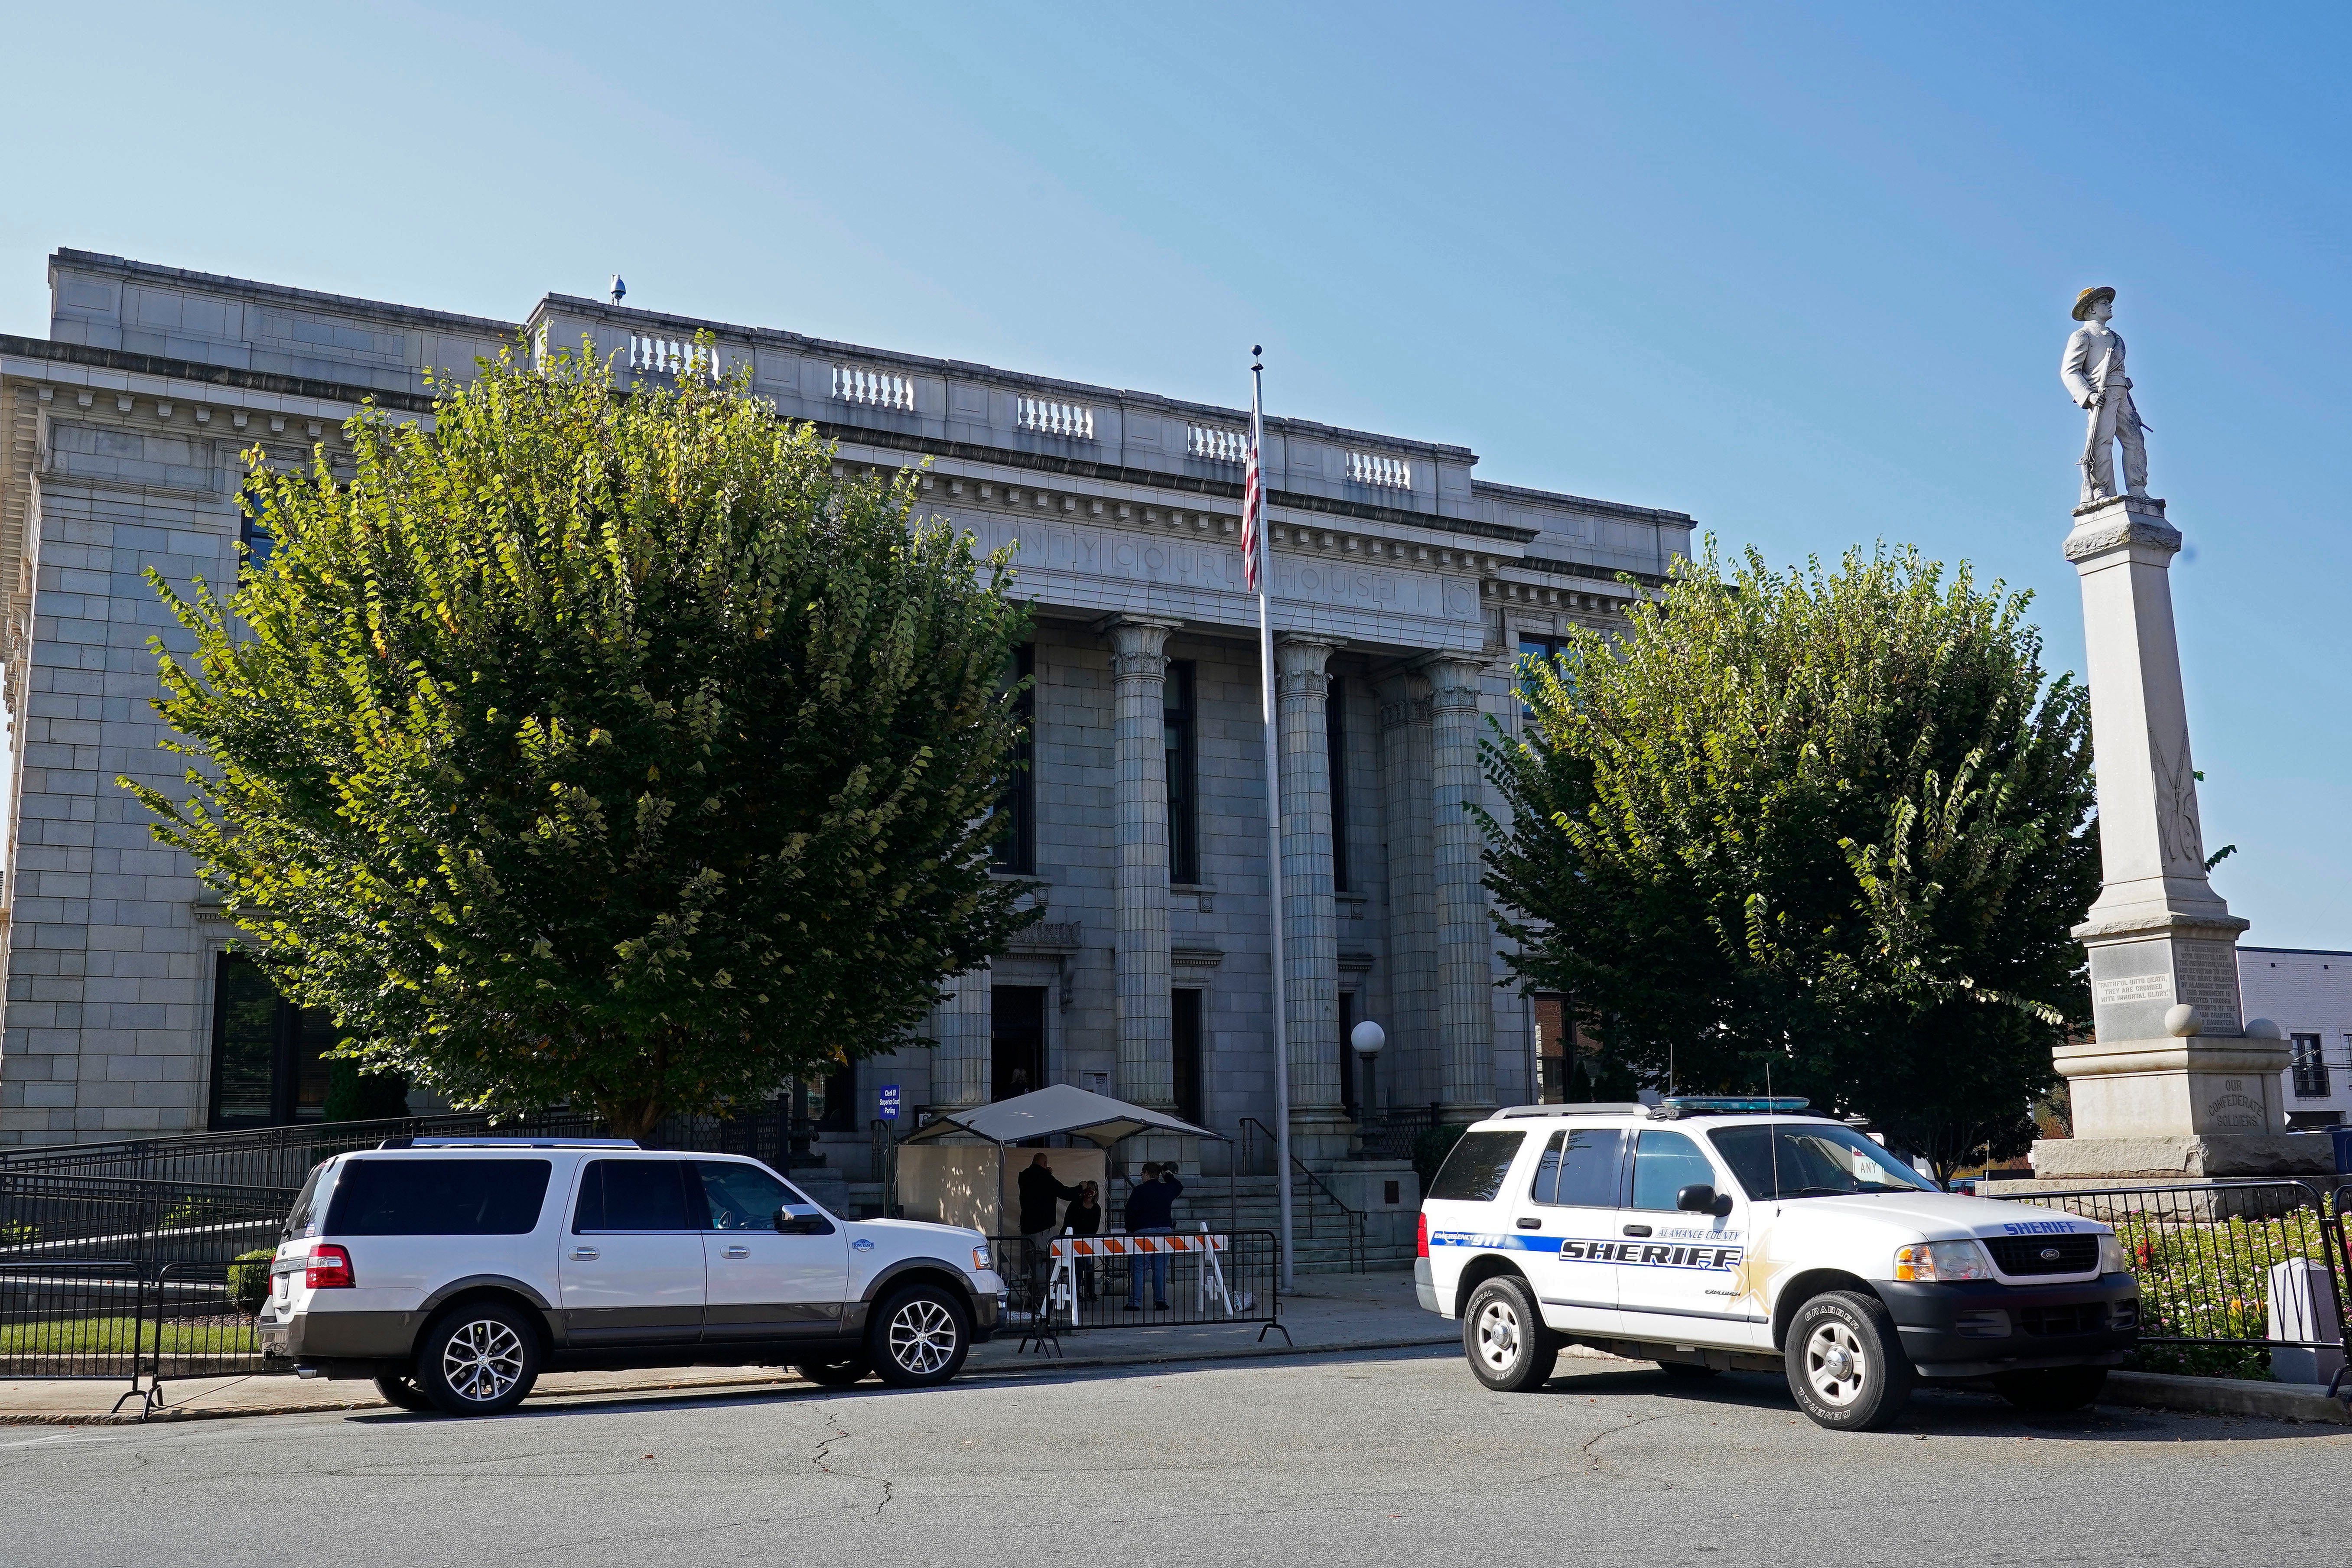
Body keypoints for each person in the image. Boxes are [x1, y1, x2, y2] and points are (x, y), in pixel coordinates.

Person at [2060, 286, 2149, 505]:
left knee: (2136, 441)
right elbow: (2070, 370)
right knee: (2102, 441)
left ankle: (2138, 489)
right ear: (2091, 309)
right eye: (2103, 302)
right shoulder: (2083, 336)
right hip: (2102, 395)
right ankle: (2101, 489)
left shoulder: (2116, 338)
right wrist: (2088, 395)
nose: (2109, 305)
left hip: (2123, 395)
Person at [1015, 1152, 1082, 1304]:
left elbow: (1037, 1184)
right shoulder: (1045, 1178)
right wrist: (1081, 1188)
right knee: (1042, 1263)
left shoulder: (1024, 1176)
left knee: (1031, 1264)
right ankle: (1044, 1298)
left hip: (1026, 1226)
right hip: (1042, 1227)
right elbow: (1065, 1193)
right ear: (1045, 1163)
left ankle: (1035, 1296)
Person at [1124, 1161, 1184, 1311]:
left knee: (1139, 1268)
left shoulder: (1139, 1191)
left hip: (1143, 1231)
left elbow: (1130, 1212)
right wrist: (1167, 1175)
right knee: (1160, 1268)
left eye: (1142, 1174)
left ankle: (1135, 1302)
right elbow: (1179, 1186)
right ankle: (1160, 1301)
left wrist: (1130, 1229)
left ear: (1145, 1173)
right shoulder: (1166, 1189)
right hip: (1164, 1231)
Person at [1063, 1180, 1105, 1300]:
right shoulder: (1075, 1204)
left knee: (1089, 1266)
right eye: (1088, 1188)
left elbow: (1094, 1227)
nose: (1089, 1192)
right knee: (1079, 1265)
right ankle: (1076, 1292)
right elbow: (1068, 1223)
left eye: (1092, 1189)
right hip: (1073, 1240)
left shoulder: (1097, 1208)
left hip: (1086, 1241)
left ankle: (1090, 1292)